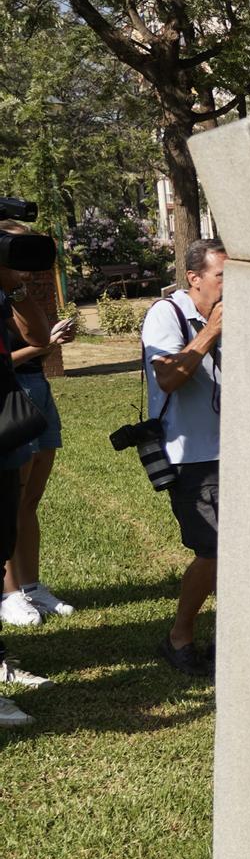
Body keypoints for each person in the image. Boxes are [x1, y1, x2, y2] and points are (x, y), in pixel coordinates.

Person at [142, 239, 228, 677]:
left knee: (245, 550)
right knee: (214, 550)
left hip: (238, 451)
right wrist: (210, 330)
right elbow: (170, 377)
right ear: (194, 278)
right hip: (191, 455)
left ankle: (230, 639)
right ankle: (179, 635)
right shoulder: (167, 315)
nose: (230, 288)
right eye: (222, 278)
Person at [0, 243, 75, 630]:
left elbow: (37, 334)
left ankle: (31, 585)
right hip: (11, 396)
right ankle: (9, 594)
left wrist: (16, 289)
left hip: (36, 389)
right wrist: (43, 345)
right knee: (10, 499)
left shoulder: (12, 291)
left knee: (30, 499)